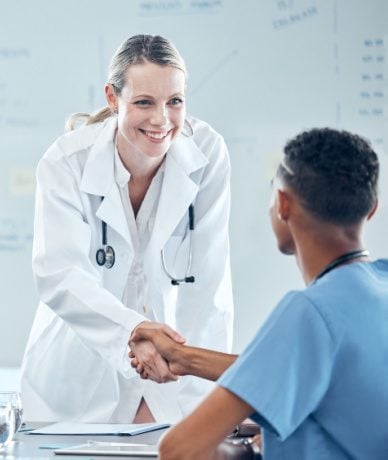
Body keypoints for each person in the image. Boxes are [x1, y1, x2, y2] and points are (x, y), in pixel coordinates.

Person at [20, 34, 233, 424]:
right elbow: (60, 274)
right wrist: (132, 332)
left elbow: (207, 287)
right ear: (112, 98)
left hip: (173, 372)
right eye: (143, 102)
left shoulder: (207, 154)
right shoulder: (67, 162)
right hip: (75, 379)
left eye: (175, 102)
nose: (161, 119)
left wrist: (195, 385)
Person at [150, 128, 387, 459]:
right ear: (372, 209)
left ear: (283, 204)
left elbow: (178, 450)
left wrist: (238, 452)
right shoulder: (380, 287)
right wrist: (184, 358)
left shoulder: (309, 312)